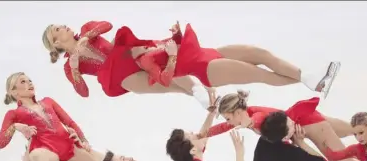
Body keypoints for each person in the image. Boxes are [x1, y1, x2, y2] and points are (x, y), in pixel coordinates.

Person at [100, 22, 340, 99]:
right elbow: (165, 79)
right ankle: (314, 81)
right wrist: (172, 54)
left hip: (210, 52)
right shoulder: (144, 62)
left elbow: (178, 46)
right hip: (206, 68)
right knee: (262, 75)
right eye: (128, 43)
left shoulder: (150, 45)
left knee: (261, 54)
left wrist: (175, 36)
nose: (134, 41)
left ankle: (312, 78)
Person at [0, 72, 114, 161]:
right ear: (13, 92)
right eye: (23, 82)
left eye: (29, 80)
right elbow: (1, 142)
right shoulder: (13, 114)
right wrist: (15, 126)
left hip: (69, 148)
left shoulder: (48, 101)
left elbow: (70, 123)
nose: (29, 83)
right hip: (48, 151)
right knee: (37, 155)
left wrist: (83, 141)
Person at [41, 21, 213, 109]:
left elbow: (107, 25)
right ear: (56, 44)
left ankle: (200, 88)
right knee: (166, 85)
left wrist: (88, 36)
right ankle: (203, 95)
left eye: (60, 26)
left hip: (127, 55)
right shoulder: (70, 67)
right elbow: (84, 93)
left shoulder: (87, 30)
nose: (63, 26)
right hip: (121, 76)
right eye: (58, 30)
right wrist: (75, 69)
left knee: (165, 64)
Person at [209, 91, 367, 161]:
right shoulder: (244, 116)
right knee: (349, 128)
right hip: (305, 118)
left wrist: (250, 122)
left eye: (228, 118)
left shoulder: (253, 116)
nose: (228, 123)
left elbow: (260, 118)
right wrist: (202, 134)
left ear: (237, 113)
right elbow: (223, 128)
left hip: (308, 124)